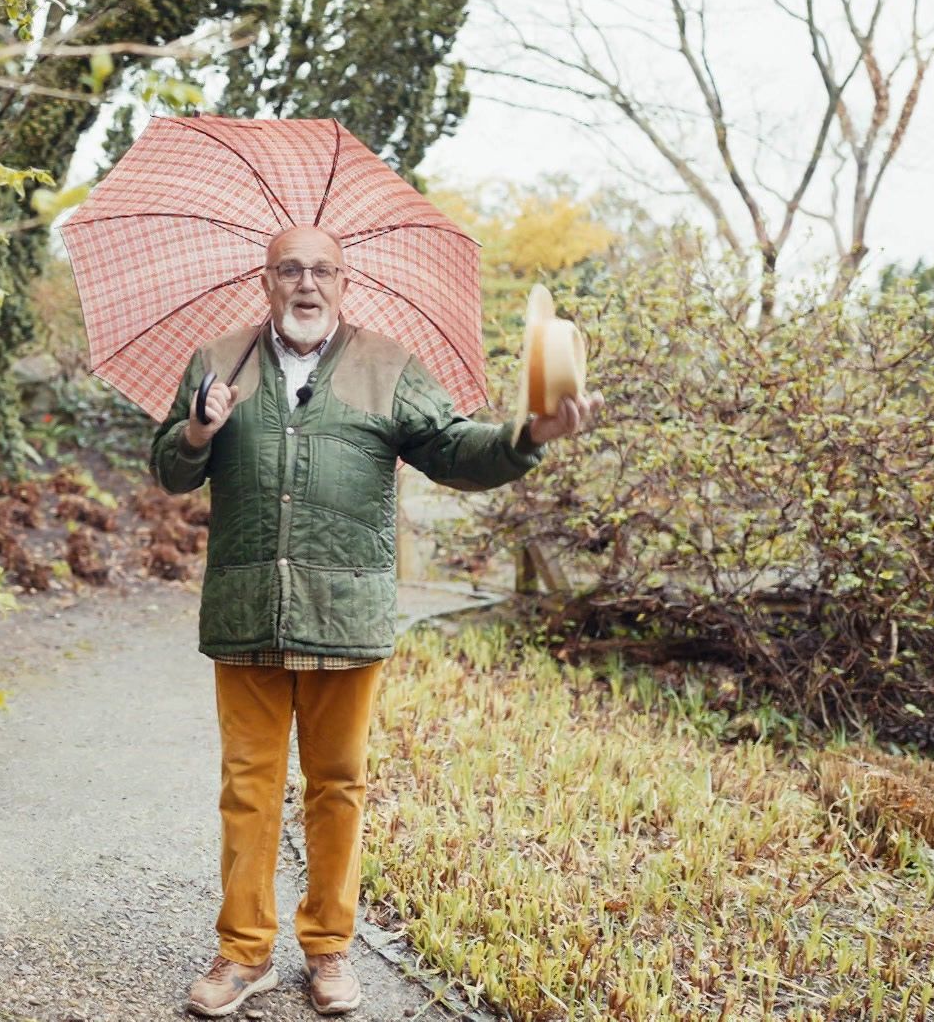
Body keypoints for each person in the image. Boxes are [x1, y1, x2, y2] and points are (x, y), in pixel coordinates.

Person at [148, 225, 602, 1017]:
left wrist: (531, 435)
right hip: (247, 611)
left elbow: (458, 451)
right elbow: (168, 470)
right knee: (248, 788)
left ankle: (327, 951)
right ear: (265, 281)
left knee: (337, 788)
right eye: (290, 268)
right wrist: (197, 431)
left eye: (324, 270)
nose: (307, 284)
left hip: (346, 617)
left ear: (345, 283)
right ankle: (242, 952)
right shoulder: (217, 362)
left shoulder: (389, 367)